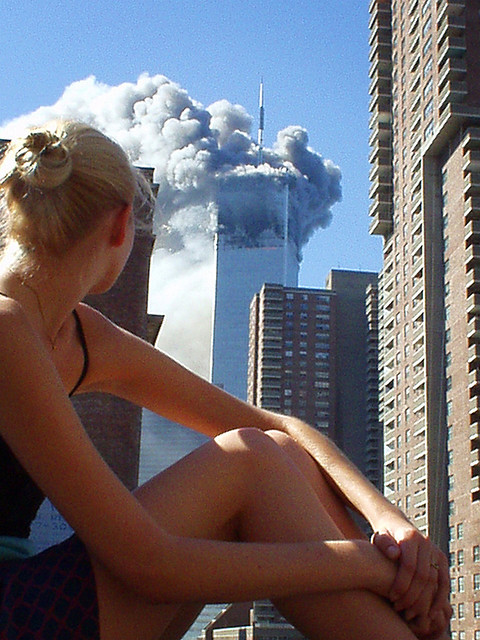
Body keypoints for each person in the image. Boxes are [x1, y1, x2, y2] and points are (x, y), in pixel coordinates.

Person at [0, 120, 451, 640]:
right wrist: (373, 566)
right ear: (122, 225)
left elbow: (277, 425)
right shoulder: (8, 328)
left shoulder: (79, 335)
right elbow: (149, 563)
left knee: (271, 450)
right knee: (250, 460)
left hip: (35, 604)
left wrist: (389, 524)